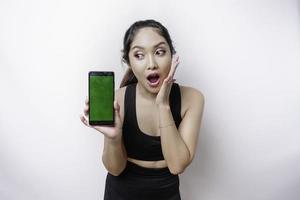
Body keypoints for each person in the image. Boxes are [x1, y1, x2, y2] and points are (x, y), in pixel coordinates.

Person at [80, 19, 205, 200]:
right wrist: (113, 138)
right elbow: (115, 168)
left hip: (167, 193)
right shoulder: (118, 99)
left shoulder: (192, 99)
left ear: (172, 55)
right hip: (121, 193)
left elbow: (177, 165)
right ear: (129, 62)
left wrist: (163, 105)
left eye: (160, 52)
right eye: (139, 55)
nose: (151, 63)